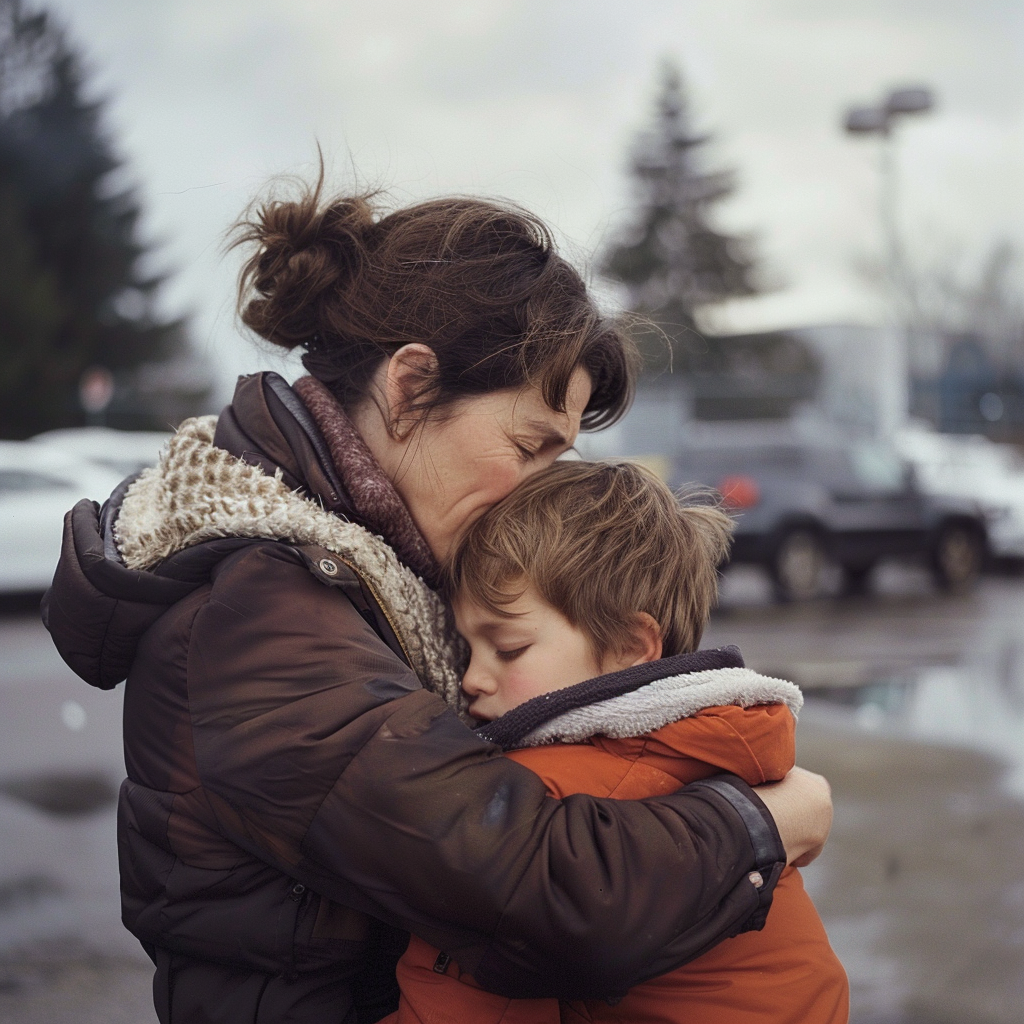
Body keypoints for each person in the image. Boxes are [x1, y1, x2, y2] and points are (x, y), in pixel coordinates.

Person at [42, 178, 833, 1024]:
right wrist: (756, 826)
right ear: (411, 387)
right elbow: (532, 890)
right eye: (532, 447)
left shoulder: (375, 568)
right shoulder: (258, 613)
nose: (540, 495)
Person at [389, 459, 849, 1023]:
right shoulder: (701, 748)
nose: (471, 679)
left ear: (632, 646)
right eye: (465, 651)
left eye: (507, 648)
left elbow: (466, 995)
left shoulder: (555, 789)